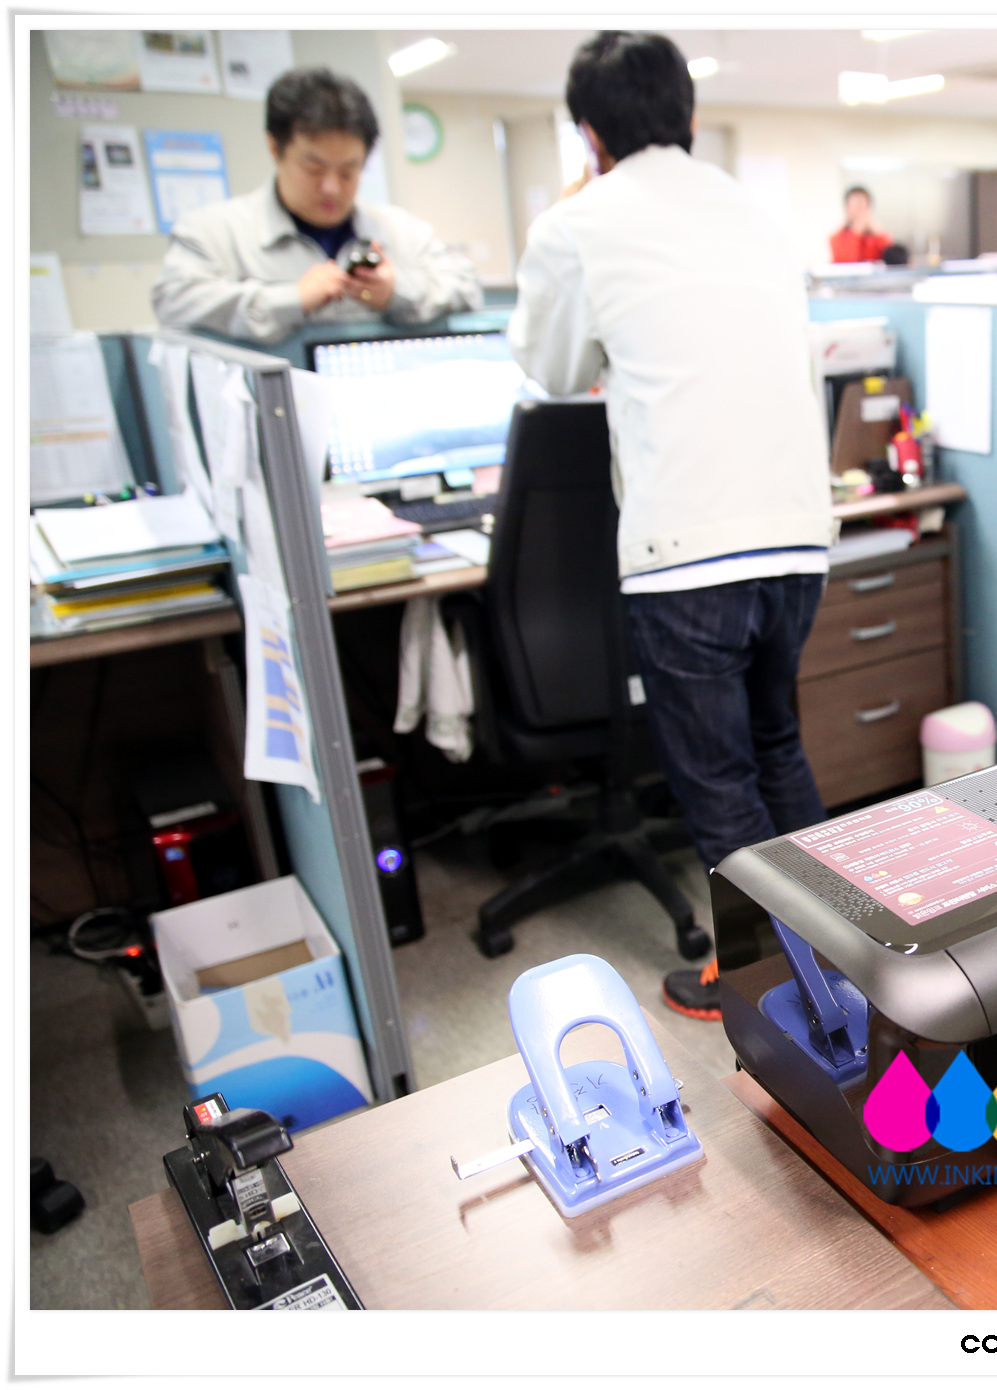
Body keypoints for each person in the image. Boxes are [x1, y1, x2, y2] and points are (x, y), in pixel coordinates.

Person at [509, 32, 835, 1022]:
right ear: (688, 115)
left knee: (719, 781)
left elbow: (553, 370)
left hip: (688, 553)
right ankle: (844, 962)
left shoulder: (578, 223)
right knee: (777, 746)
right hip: (797, 539)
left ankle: (771, 993)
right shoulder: (758, 215)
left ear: (589, 132)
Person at [152, 67, 480, 344]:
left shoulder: (401, 231)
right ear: (275, 148)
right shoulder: (213, 232)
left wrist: (396, 291)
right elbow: (174, 301)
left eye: (348, 171)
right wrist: (292, 299)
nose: (331, 188)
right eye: (314, 169)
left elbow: (466, 287)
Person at [828, 186, 895, 263]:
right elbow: (845, 261)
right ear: (847, 208)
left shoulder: (877, 234)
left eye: (863, 205)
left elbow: (892, 257)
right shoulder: (837, 237)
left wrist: (879, 232)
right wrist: (856, 231)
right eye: (856, 205)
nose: (860, 210)